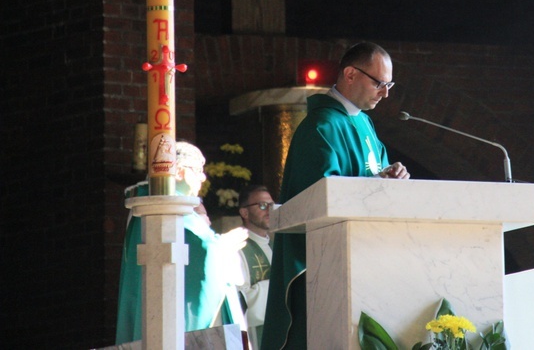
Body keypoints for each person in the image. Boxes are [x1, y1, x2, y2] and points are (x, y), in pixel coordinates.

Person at [261, 41, 410, 349]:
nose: (385, 93)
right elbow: (321, 197)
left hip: (366, 254)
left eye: (389, 84)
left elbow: (374, 175)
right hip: (327, 263)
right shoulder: (322, 126)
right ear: (350, 74)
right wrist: (375, 182)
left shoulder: (363, 123)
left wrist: (393, 176)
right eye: (379, 83)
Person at [115, 141, 249, 344]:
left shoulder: (154, 207)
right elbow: (204, 254)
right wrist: (225, 246)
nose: (203, 177)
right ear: (177, 172)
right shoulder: (169, 208)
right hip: (172, 319)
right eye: (197, 170)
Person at [236, 184, 275, 350]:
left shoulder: (277, 246)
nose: (269, 211)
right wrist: (277, 286)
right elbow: (240, 303)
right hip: (254, 339)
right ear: (244, 212)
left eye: (272, 205)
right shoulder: (238, 248)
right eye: (262, 205)